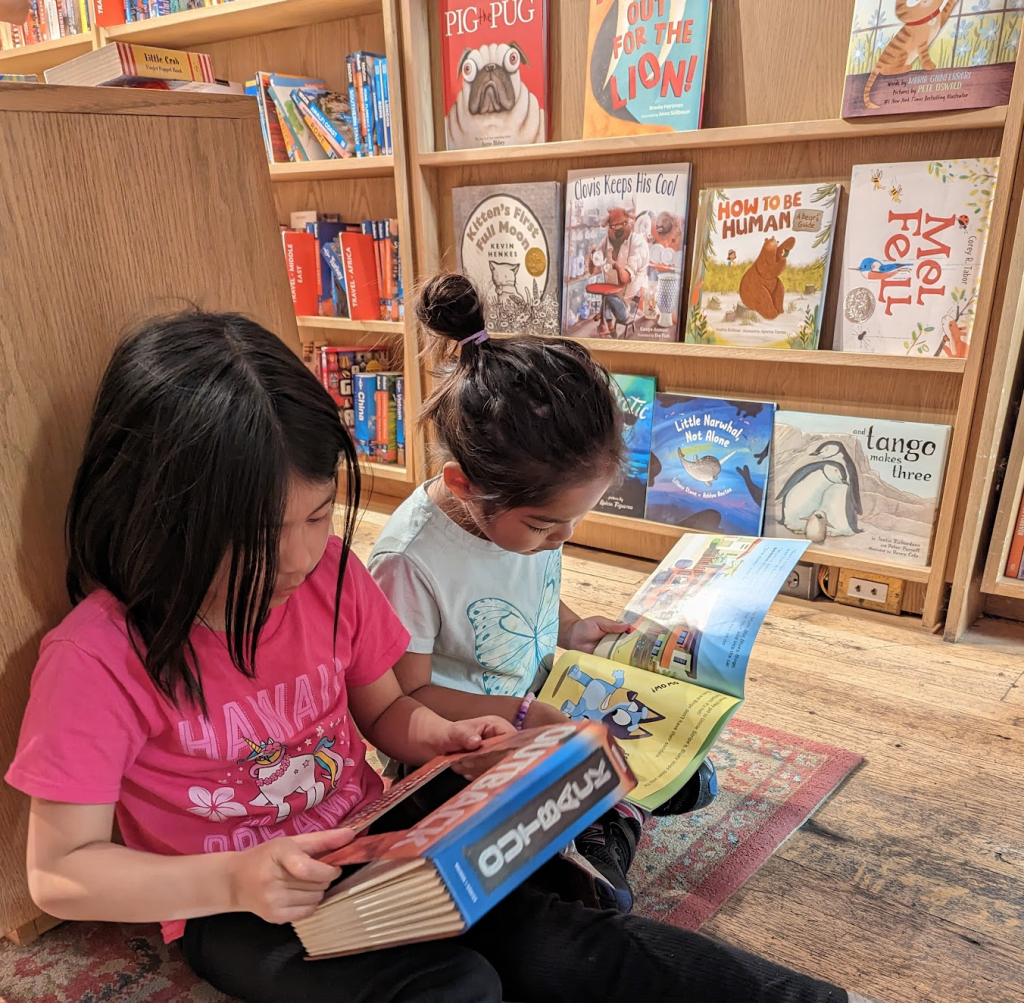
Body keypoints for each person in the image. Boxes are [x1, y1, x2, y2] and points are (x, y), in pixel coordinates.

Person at [6, 310, 883, 1003]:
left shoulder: (332, 578)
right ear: (161, 517)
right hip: (232, 906)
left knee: (564, 945)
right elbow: (60, 872)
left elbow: (386, 708)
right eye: (263, 540)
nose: (304, 556)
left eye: (318, 518)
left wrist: (436, 735)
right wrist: (235, 875)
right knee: (456, 985)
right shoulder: (95, 657)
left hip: (377, 840)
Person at [368, 272, 717, 912]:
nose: (560, 540)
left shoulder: (525, 525)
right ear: (465, 484)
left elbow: (531, 591)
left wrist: (574, 630)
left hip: (535, 704)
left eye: (573, 523)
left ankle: (604, 815)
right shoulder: (409, 561)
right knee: (532, 814)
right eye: (544, 525)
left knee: (685, 775)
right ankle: (601, 834)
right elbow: (405, 695)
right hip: (460, 744)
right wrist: (521, 719)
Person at [588, 204, 649, 335]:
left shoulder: (638, 244)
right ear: (609, 227)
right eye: (614, 227)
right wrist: (592, 256)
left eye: (623, 224)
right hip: (613, 298)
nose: (618, 230)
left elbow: (625, 279)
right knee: (608, 298)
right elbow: (592, 271)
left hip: (628, 307)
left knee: (607, 298)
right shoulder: (606, 241)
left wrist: (616, 266)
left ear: (629, 224)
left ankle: (606, 321)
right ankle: (607, 323)